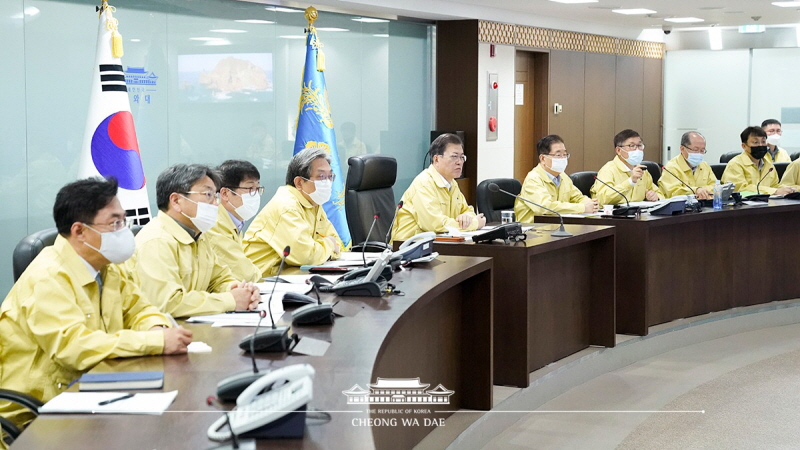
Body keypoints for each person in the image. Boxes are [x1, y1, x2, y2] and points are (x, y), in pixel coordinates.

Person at [0, 178, 193, 429]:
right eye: (115, 222)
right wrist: (154, 342)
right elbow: (74, 348)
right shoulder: (47, 276)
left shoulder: (106, 266)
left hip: (93, 390)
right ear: (79, 231)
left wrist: (156, 329)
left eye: (124, 221)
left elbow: (141, 309)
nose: (124, 230)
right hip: (37, 413)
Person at [125, 164, 260, 317]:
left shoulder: (199, 236)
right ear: (176, 201)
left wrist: (239, 290)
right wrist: (230, 300)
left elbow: (219, 279)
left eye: (215, 196)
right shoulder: (157, 241)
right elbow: (167, 303)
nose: (216, 204)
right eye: (208, 195)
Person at [243, 147, 344, 276]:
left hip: (291, 275)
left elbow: (337, 242)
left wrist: (323, 247)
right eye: (321, 176)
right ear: (299, 183)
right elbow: (306, 255)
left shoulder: (313, 202)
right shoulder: (286, 207)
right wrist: (328, 244)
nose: (328, 182)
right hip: (263, 281)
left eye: (330, 176)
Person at [392, 133, 485, 241]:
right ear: (436, 159)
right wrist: (474, 223)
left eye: (462, 157)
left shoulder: (452, 183)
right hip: (409, 248)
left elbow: (467, 210)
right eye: (454, 157)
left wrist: (466, 217)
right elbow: (435, 225)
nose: (459, 162)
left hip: (438, 244)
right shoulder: (424, 184)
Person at [515, 134, 598, 222]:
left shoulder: (563, 176)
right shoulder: (533, 179)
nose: (563, 159)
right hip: (534, 230)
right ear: (543, 158)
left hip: (557, 227)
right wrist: (582, 207)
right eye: (558, 155)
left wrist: (590, 203)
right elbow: (545, 208)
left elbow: (577, 197)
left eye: (565, 154)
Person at [206, 160, 263, 282]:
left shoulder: (234, 221)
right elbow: (245, 275)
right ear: (225, 193)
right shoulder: (214, 224)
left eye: (258, 189)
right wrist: (256, 273)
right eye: (250, 188)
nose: (256, 195)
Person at [590, 129, 661, 204]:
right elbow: (603, 199)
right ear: (618, 150)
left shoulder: (642, 170)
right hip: (612, 214)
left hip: (637, 213)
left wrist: (655, 196)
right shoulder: (608, 170)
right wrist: (630, 182)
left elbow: (660, 193)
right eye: (632, 146)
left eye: (639, 145)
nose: (637, 149)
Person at [722, 126, 795, 195]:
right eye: (755, 142)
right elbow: (739, 188)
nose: (760, 145)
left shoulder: (768, 163)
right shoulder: (735, 164)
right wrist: (774, 191)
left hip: (766, 203)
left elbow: (774, 185)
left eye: (763, 142)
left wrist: (786, 189)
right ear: (744, 146)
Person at [658, 131, 717, 199]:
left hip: (705, 207)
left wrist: (702, 191)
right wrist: (696, 190)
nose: (699, 154)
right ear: (682, 149)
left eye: (702, 151)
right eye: (695, 150)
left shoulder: (705, 165)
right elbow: (673, 192)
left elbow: (715, 187)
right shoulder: (671, 168)